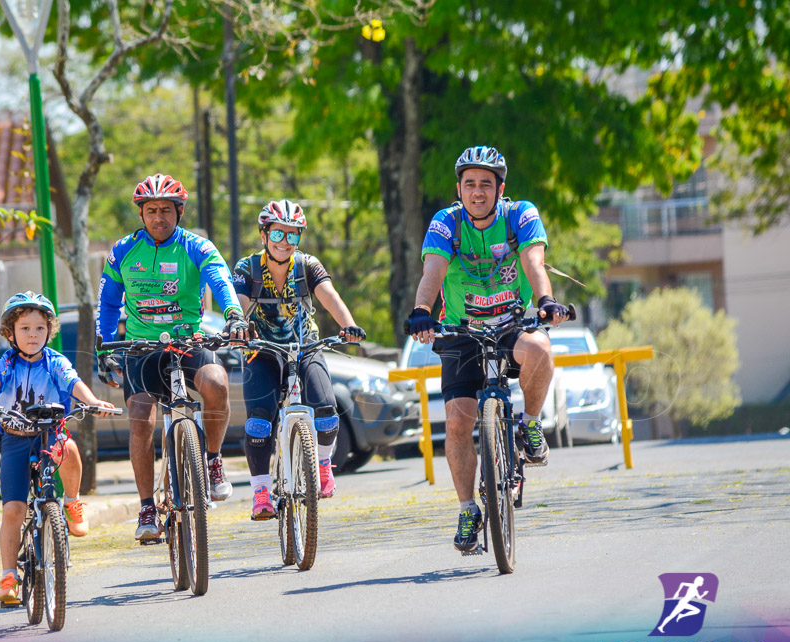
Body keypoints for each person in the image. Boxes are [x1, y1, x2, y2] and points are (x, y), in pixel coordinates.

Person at [404, 146, 570, 554]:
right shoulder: (447, 222)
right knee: (458, 423)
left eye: (486, 184)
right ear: (458, 189)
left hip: (511, 323)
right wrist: (422, 310)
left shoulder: (520, 215)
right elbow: (433, 270)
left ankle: (529, 424)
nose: (477, 192)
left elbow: (534, 261)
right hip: (461, 331)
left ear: (500, 188)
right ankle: (467, 509)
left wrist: (545, 300)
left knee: (541, 350)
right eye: (469, 184)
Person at [96, 173, 248, 542]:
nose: (158, 217)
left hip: (188, 340)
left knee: (216, 383)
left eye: (166, 210)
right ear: (141, 214)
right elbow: (108, 301)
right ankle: (147, 505)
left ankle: (212, 460)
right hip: (142, 348)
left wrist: (233, 314)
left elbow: (220, 280)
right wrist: (104, 344)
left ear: (179, 212)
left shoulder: (197, 247)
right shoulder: (122, 251)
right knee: (140, 419)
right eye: (151, 211)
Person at [0, 291, 116, 605]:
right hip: (15, 438)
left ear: (49, 331)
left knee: (68, 449)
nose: (33, 334)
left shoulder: (55, 361)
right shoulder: (7, 362)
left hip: (49, 433)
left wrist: (93, 402)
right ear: (10, 333)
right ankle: (8, 576)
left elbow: (74, 383)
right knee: (13, 511)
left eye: (40, 328)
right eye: (25, 328)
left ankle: (71, 502)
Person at [233, 200, 366, 519]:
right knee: (258, 423)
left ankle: (322, 465)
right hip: (261, 350)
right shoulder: (247, 268)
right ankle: (262, 491)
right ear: (264, 234)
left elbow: (328, 294)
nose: (284, 242)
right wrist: (237, 324)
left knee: (327, 414)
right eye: (278, 234)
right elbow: (238, 301)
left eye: (293, 236)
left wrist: (348, 325)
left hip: (306, 345)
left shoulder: (307, 266)